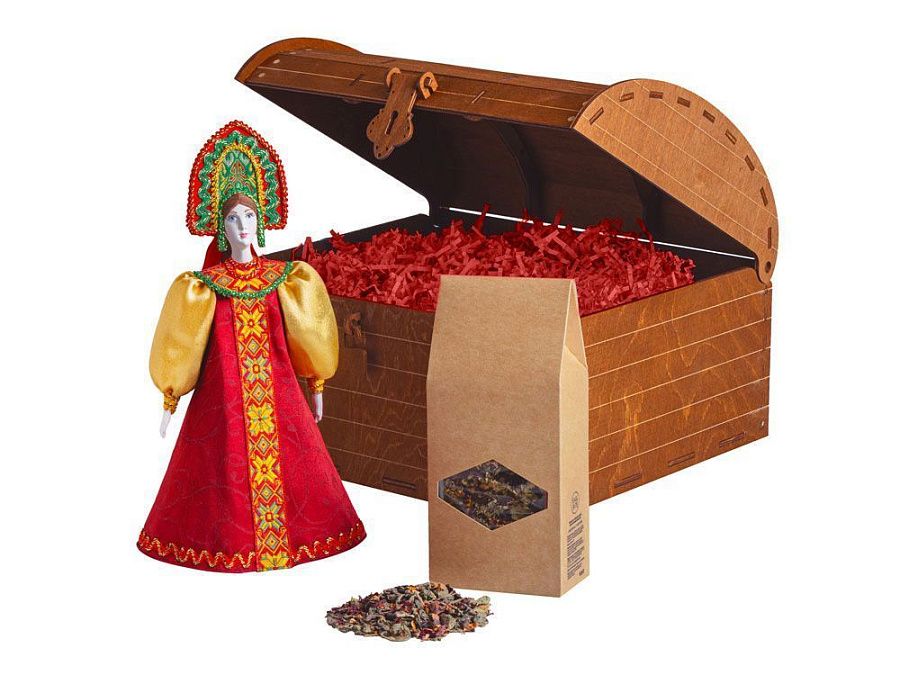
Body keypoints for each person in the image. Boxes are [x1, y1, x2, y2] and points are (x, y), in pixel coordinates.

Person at [137, 120, 365, 572]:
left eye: (250, 217)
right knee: (222, 474)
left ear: (261, 222)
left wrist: (317, 383)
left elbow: (307, 335)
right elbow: (182, 343)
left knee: (301, 467)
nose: (243, 226)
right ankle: (232, 544)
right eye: (234, 219)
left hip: (280, 396)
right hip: (222, 402)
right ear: (221, 228)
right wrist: (170, 397)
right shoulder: (202, 287)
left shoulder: (287, 280)